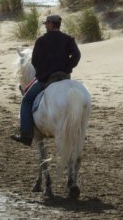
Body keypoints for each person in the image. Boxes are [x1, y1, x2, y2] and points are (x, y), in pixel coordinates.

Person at [10, 14, 81, 146]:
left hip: (47, 80)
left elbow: (35, 61)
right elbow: (77, 55)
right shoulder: (68, 39)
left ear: (51, 24)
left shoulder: (41, 41)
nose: (45, 26)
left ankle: (26, 135)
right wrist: (67, 68)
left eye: (46, 24)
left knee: (26, 101)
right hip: (64, 78)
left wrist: (43, 72)